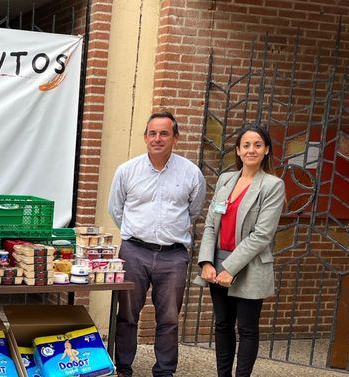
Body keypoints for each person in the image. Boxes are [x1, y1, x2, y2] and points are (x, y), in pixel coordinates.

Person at [108, 111, 206, 377]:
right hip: (134, 252)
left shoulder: (191, 173)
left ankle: (164, 371)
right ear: (145, 137)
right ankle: (122, 368)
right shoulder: (127, 171)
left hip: (173, 256)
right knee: (127, 315)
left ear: (176, 137)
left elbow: (193, 212)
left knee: (170, 318)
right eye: (152, 133)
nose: (158, 138)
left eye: (164, 133)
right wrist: (136, 233)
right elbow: (116, 209)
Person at [192, 126, 284, 377]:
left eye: (257, 145)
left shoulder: (273, 185)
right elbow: (211, 223)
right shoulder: (225, 179)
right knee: (222, 325)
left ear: (266, 150)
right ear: (238, 150)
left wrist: (231, 268)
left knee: (247, 328)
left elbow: (263, 234)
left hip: (250, 266)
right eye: (246, 145)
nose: (251, 149)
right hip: (218, 263)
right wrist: (207, 262)